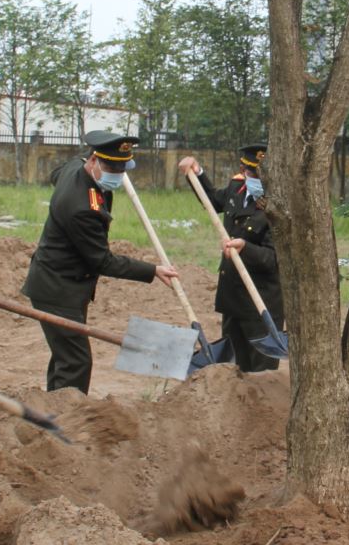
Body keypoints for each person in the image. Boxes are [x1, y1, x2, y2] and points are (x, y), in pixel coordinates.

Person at [22, 131, 178, 393]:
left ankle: (54, 409)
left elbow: (56, 172)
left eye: (121, 168)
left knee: (65, 355)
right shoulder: (81, 208)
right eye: (111, 167)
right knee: (76, 362)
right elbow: (102, 261)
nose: (117, 174)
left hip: (66, 285)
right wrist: (152, 270)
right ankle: (67, 419)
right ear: (94, 161)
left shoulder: (75, 168)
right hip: (57, 289)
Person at [178, 143, 282, 372]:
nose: (251, 177)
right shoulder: (237, 187)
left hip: (260, 304)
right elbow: (214, 201)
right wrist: (197, 174)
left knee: (260, 375)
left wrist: (245, 247)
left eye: (257, 174)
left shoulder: (280, 206)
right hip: (232, 297)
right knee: (232, 369)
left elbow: (275, 259)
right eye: (248, 171)